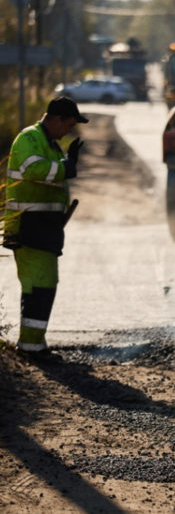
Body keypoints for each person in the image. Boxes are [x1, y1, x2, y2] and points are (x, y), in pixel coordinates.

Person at [2, 97, 88, 363]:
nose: (69, 132)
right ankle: (30, 346)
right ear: (55, 119)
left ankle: (34, 343)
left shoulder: (51, 145)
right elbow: (33, 170)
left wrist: (66, 163)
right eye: (69, 125)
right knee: (39, 284)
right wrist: (67, 165)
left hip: (44, 227)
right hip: (28, 226)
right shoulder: (29, 138)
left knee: (44, 284)